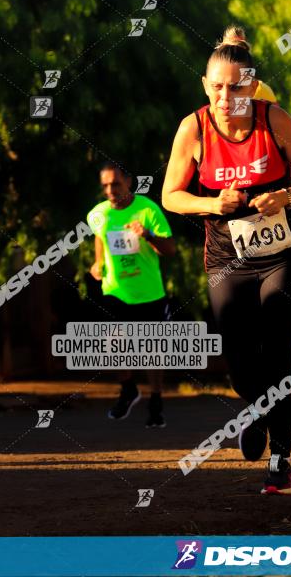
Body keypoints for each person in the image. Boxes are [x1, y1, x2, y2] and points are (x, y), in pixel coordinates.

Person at [162, 27, 291, 495]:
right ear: (205, 86)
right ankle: (258, 410)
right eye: (216, 86)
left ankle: (281, 459)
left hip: (282, 254)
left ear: (252, 87)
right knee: (238, 360)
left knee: (277, 349)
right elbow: (171, 196)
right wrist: (212, 204)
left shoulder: (273, 120)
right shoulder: (193, 127)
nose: (225, 95)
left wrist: (285, 195)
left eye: (235, 86)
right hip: (226, 256)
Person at [88, 162, 176, 426]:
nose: (110, 190)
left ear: (128, 181)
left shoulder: (148, 210)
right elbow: (100, 237)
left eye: (115, 183)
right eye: (105, 185)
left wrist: (147, 234)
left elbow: (170, 250)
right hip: (115, 291)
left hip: (149, 293)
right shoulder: (97, 214)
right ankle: (128, 389)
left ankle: (156, 400)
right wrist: (98, 263)